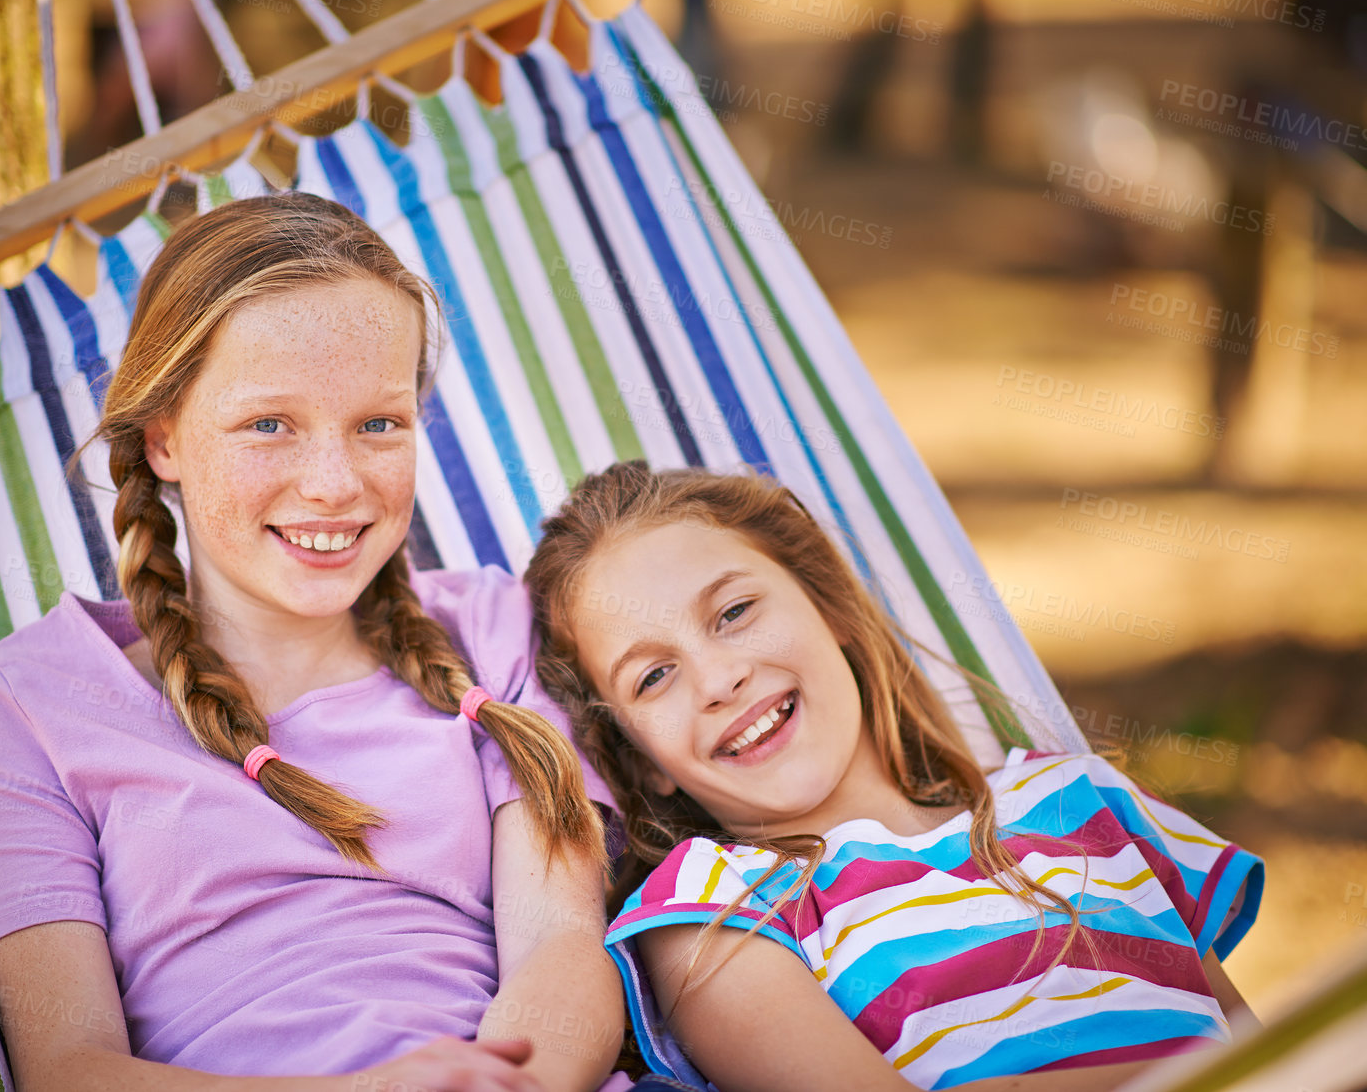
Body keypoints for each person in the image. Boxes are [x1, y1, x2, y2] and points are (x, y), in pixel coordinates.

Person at [0, 192, 631, 1092]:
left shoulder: (491, 628)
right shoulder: (33, 701)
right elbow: (68, 1067)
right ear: (163, 440)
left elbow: (559, 944)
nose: (333, 484)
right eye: (268, 424)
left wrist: (512, 1084)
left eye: (378, 423)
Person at [523, 462, 1265, 1092]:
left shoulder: (1081, 801)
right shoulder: (712, 909)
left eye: (735, 611)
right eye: (653, 676)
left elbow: (1277, 1057)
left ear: (831, 607)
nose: (719, 678)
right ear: (642, 760)